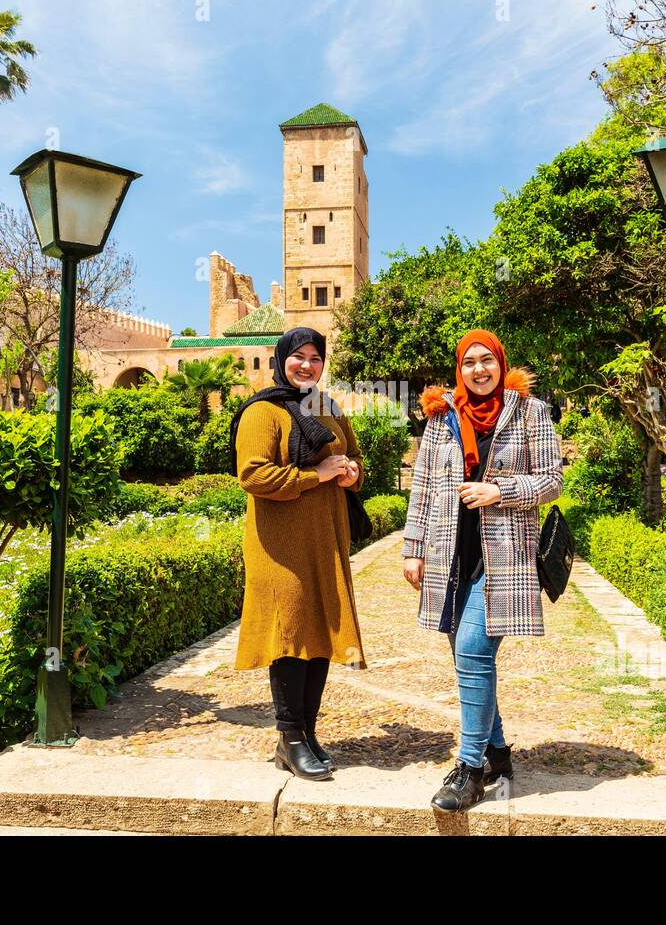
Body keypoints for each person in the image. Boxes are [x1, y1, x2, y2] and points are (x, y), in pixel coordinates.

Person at [401, 329, 563, 811]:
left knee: (473, 649)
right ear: (460, 368)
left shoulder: (531, 412)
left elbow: (552, 479)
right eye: (469, 362)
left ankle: (470, 769)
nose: (478, 370)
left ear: (500, 362)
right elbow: (424, 486)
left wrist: (501, 492)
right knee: (467, 655)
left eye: (486, 360)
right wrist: (413, 547)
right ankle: (497, 753)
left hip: (505, 555)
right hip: (451, 555)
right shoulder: (442, 418)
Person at [229, 326, 366, 781]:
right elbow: (253, 476)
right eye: (298, 356)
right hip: (281, 545)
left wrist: (350, 475)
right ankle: (289, 739)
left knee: (321, 630)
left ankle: (306, 733)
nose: (307, 365)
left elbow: (354, 459)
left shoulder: (327, 408)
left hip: (325, 538)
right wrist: (317, 476)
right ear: (281, 358)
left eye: (315, 358)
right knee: (290, 633)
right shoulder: (262, 412)